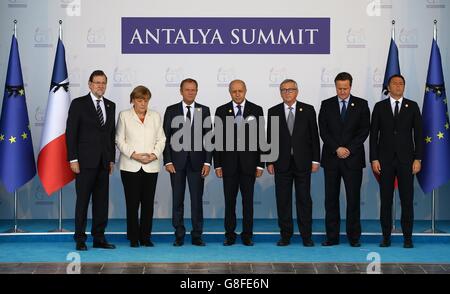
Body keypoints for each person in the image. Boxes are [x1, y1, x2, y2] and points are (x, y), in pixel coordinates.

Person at [370, 74, 422, 249]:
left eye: (401, 83)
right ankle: (386, 237)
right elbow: (373, 135)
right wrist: (374, 158)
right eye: (395, 83)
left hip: (407, 161)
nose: (399, 86)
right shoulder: (379, 107)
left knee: (407, 200)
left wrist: (418, 158)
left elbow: (419, 135)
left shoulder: (412, 106)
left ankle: (408, 237)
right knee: (386, 200)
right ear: (388, 87)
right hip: (384, 161)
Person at [66, 70, 116, 251]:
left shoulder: (111, 105)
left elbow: (110, 135)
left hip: (104, 163)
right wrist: (73, 159)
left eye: (103, 83)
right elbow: (71, 134)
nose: (100, 86)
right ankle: (80, 238)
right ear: (89, 84)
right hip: (84, 163)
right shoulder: (78, 104)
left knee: (101, 203)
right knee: (83, 202)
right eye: (97, 82)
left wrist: (111, 160)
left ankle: (99, 238)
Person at [318, 72, 370, 247]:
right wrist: (336, 148)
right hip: (332, 158)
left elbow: (364, 131)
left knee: (353, 199)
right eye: (339, 88)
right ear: (335, 87)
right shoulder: (326, 105)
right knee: (330, 200)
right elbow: (323, 130)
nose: (342, 91)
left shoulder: (362, 104)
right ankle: (332, 237)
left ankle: (354, 237)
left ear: (351, 86)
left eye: (345, 88)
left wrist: (349, 149)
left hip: (353, 159)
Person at [267, 79, 320, 247]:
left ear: (297, 91)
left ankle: (306, 236)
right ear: (280, 92)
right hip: (281, 163)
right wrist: (269, 160)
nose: (287, 92)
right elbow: (270, 138)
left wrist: (315, 160)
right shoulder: (273, 111)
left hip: (303, 163)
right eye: (283, 90)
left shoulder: (308, 110)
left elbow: (314, 137)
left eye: (290, 89)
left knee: (304, 199)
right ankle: (286, 235)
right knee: (283, 200)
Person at [214, 80, 264, 246]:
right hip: (228, 166)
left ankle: (247, 235)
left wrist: (259, 164)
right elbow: (217, 140)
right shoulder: (221, 111)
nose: (237, 94)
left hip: (249, 166)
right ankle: (229, 234)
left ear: (245, 91)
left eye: (240, 91)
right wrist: (218, 164)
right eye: (234, 91)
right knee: (230, 202)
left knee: (248, 202)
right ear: (229, 92)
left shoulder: (256, 110)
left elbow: (261, 139)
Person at [163, 78, 212, 246]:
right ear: (181, 91)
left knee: (197, 201)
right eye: (187, 89)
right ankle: (179, 234)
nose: (190, 92)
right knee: (177, 200)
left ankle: (197, 235)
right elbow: (165, 138)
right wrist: (167, 161)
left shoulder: (204, 110)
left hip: (198, 164)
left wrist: (207, 163)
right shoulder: (171, 110)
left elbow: (209, 138)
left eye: (193, 89)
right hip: (176, 164)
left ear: (197, 91)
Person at [116, 85, 166, 247]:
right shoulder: (124, 115)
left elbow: (162, 139)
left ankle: (145, 236)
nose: (143, 103)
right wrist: (134, 155)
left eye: (145, 100)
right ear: (133, 100)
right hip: (130, 165)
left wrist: (154, 155)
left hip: (151, 166)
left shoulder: (155, 116)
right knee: (132, 203)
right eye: (139, 100)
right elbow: (119, 140)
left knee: (148, 203)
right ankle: (133, 236)